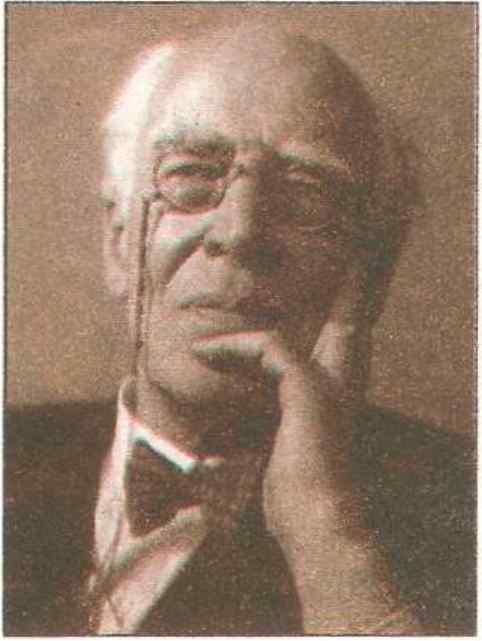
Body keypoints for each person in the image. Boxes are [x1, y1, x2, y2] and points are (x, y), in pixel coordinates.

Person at [5, 22, 475, 635]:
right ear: (119, 244)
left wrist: (324, 529)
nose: (240, 231)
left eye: (306, 196)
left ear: (370, 276)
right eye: (192, 176)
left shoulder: (463, 505)